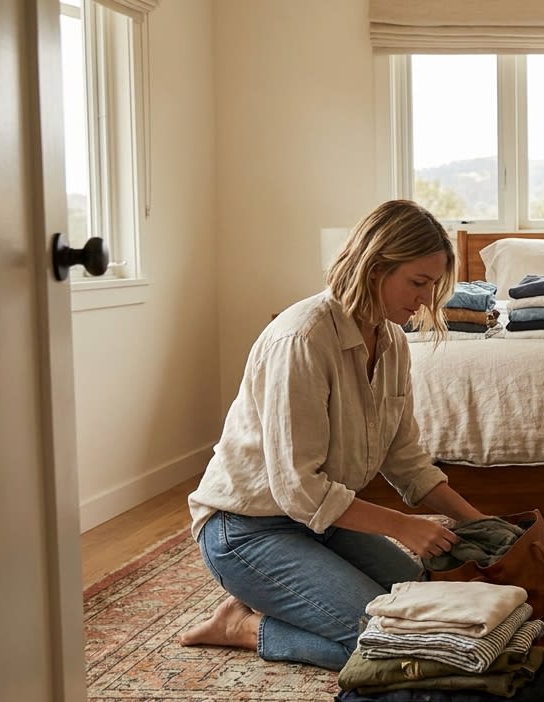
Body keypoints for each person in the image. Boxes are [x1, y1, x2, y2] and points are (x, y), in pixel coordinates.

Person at [180, 199, 488, 671]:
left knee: (437, 617)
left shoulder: (393, 342)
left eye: (432, 286)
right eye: (418, 283)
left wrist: (477, 523)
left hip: (324, 522)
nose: (425, 300)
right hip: (248, 529)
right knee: (393, 645)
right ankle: (244, 627)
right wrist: (404, 527)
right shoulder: (301, 340)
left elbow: (405, 459)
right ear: (375, 266)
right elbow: (298, 488)